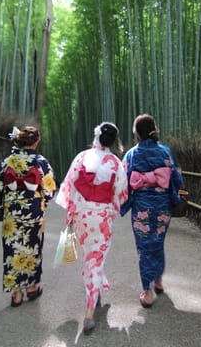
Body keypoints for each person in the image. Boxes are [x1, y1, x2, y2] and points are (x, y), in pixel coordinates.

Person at [55, 122, 128, 335]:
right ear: (114, 141)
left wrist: (71, 213)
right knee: (95, 259)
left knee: (90, 256)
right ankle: (89, 313)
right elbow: (120, 193)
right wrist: (110, 208)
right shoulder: (116, 163)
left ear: (95, 137)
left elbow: (70, 185)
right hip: (102, 215)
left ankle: (95, 290)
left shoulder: (82, 157)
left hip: (81, 215)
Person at [120, 114, 183, 308]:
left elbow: (123, 180)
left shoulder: (131, 154)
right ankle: (158, 280)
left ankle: (148, 291)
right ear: (154, 129)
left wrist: (123, 200)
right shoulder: (165, 152)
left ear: (137, 133)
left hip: (142, 207)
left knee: (144, 246)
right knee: (158, 241)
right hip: (163, 204)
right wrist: (174, 195)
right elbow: (176, 177)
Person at [0, 125, 57, 307]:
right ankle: (31, 287)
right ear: (37, 141)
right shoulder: (40, 161)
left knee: (12, 248)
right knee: (32, 246)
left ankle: (16, 294)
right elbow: (50, 187)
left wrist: (5, 197)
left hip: (12, 210)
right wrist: (43, 198)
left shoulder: (8, 160)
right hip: (33, 209)